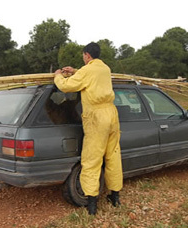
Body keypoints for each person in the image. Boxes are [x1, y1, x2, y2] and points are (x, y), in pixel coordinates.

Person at [54, 42, 123, 215]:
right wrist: (76, 71)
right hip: (112, 114)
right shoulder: (105, 68)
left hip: (96, 117)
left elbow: (65, 86)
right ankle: (115, 197)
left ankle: (92, 204)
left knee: (92, 159)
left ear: (87, 55)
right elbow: (93, 77)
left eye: (83, 56)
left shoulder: (88, 70)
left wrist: (58, 76)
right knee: (113, 154)